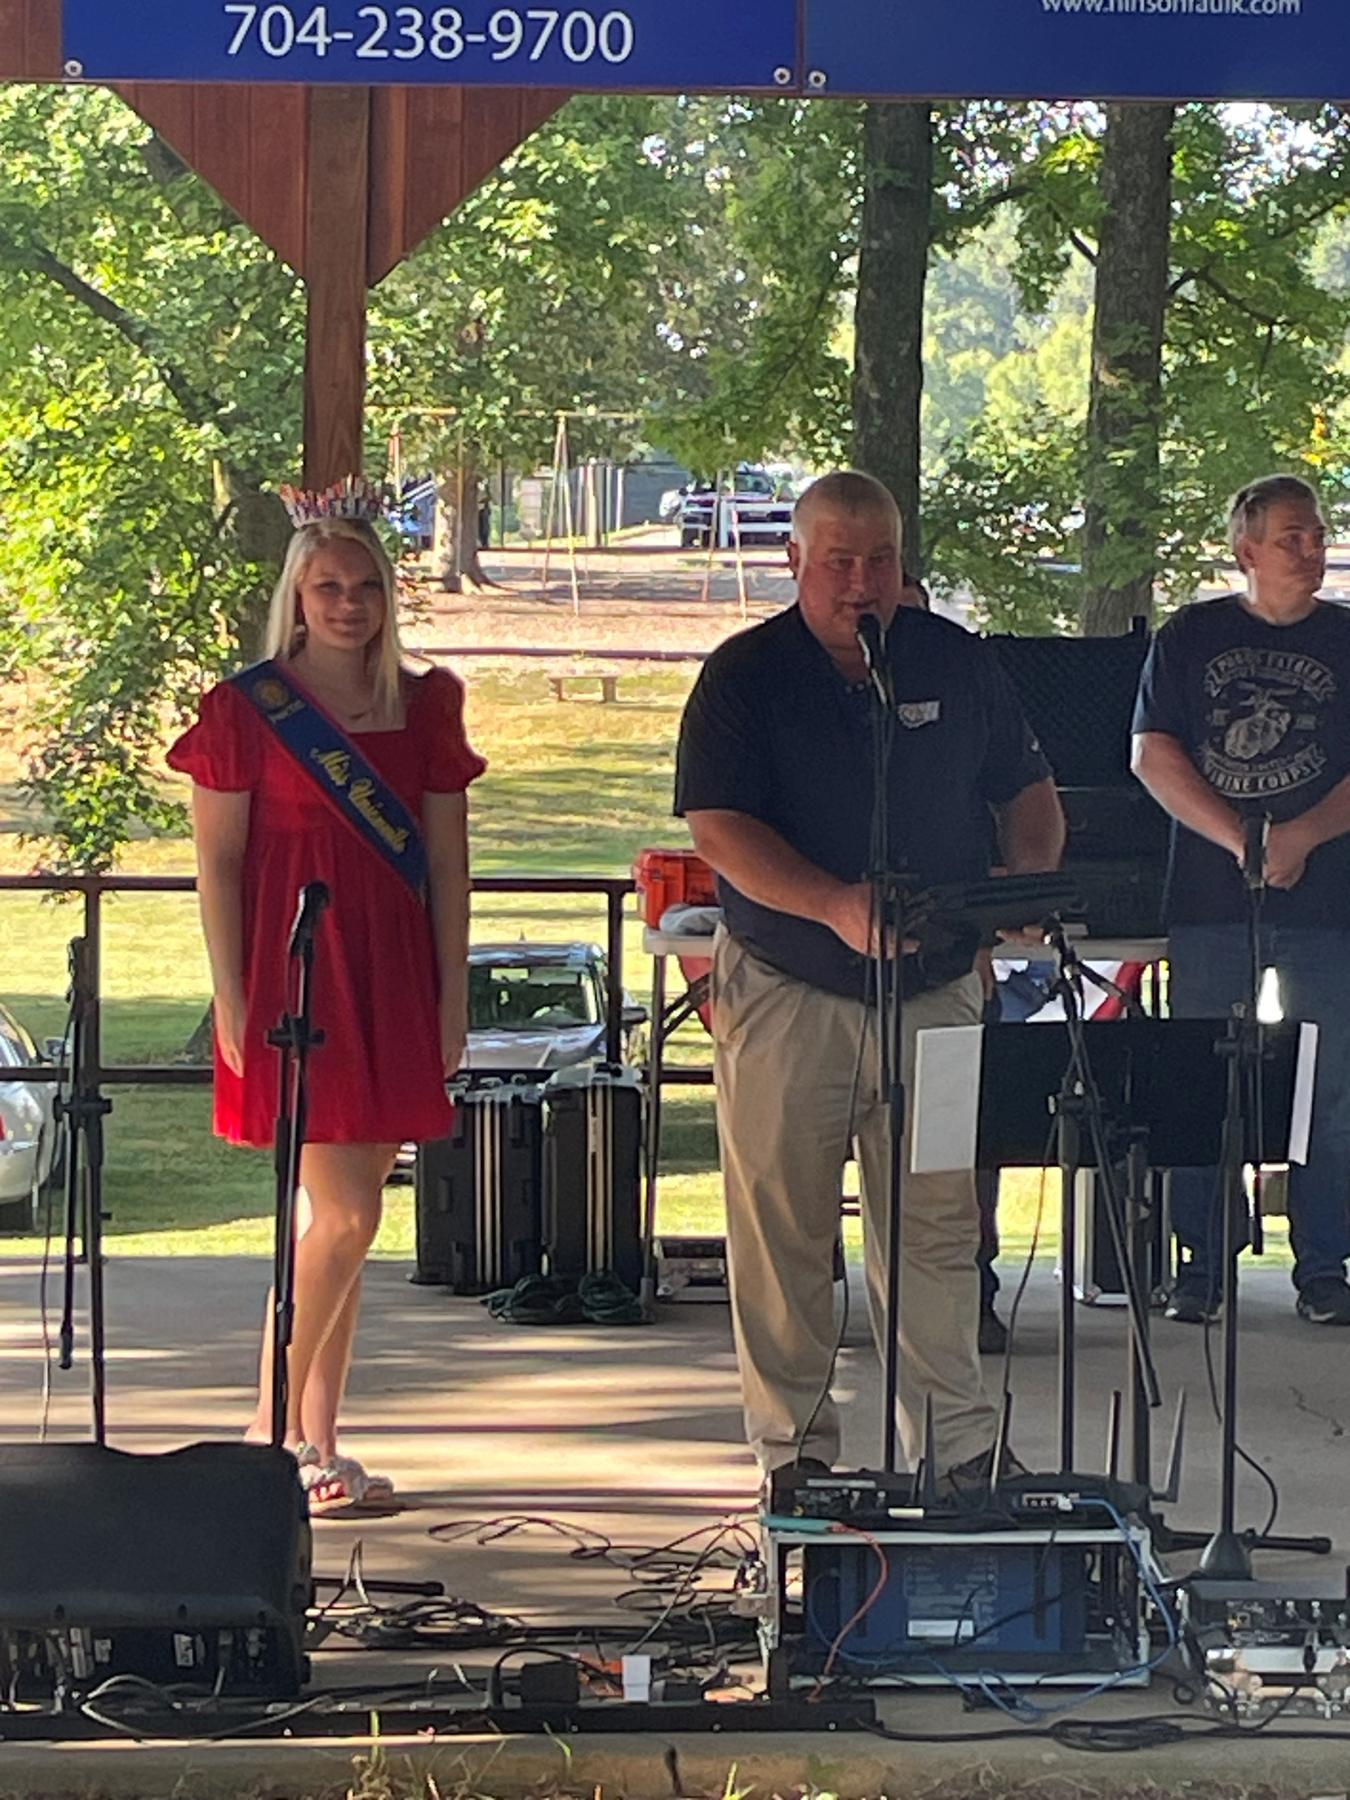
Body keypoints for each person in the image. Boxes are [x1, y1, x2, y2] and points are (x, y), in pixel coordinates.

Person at [674, 470, 1065, 1489]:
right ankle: (795, 1453)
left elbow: (1027, 788)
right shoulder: (744, 676)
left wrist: (1026, 878)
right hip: (789, 989)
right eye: (838, 561)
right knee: (786, 1230)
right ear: (794, 561)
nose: (861, 582)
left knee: (936, 1226)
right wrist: (832, 902)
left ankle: (957, 1448)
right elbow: (719, 829)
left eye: (879, 560)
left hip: (936, 996)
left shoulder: (956, 662)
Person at [169, 497, 485, 1506]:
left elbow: (445, 861)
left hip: (392, 971)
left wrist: (448, 996)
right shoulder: (246, 710)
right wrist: (230, 992)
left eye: (366, 587)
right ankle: (266, 1429)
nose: (349, 604)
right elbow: (217, 864)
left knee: (349, 1221)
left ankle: (318, 1445)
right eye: (328, 588)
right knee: (342, 1217)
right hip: (294, 971)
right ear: (296, 601)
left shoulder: (429, 702)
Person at [1133, 472, 1350, 1327]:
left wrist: (1302, 837)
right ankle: (1201, 1263)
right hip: (1210, 895)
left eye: (1319, 533)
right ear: (1246, 550)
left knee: (1332, 1084)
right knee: (1201, 1078)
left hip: (1329, 899)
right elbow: (1153, 755)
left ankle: (1326, 1263)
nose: (1312, 547)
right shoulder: (1191, 638)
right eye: (1293, 535)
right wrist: (1241, 840)